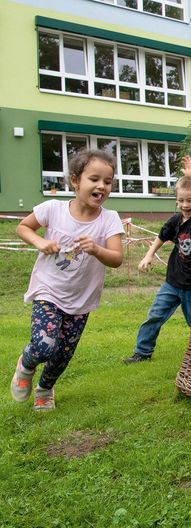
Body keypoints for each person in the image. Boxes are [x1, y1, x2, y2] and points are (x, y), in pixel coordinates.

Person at [11, 149, 124, 411]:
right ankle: (26, 364)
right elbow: (23, 227)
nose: (101, 186)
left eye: (107, 182)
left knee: (63, 354)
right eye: (94, 179)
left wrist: (96, 249)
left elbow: (116, 258)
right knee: (43, 346)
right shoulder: (53, 209)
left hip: (81, 299)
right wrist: (40, 241)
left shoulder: (109, 219)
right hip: (48, 290)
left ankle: (45, 388)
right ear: (75, 180)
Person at [124, 156, 191, 364]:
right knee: (155, 315)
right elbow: (162, 236)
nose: (185, 204)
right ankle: (142, 352)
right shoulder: (175, 221)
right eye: (181, 200)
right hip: (172, 283)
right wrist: (148, 255)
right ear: (176, 200)